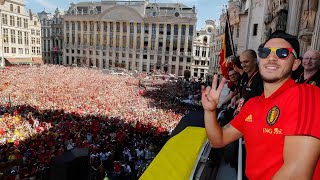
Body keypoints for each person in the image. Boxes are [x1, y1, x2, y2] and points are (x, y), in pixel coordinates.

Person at [201, 30, 320, 180]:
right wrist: (210, 111)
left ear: (295, 64)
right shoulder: (252, 105)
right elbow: (218, 139)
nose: (271, 57)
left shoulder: (307, 95)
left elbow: (296, 174)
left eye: (282, 53)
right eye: (265, 52)